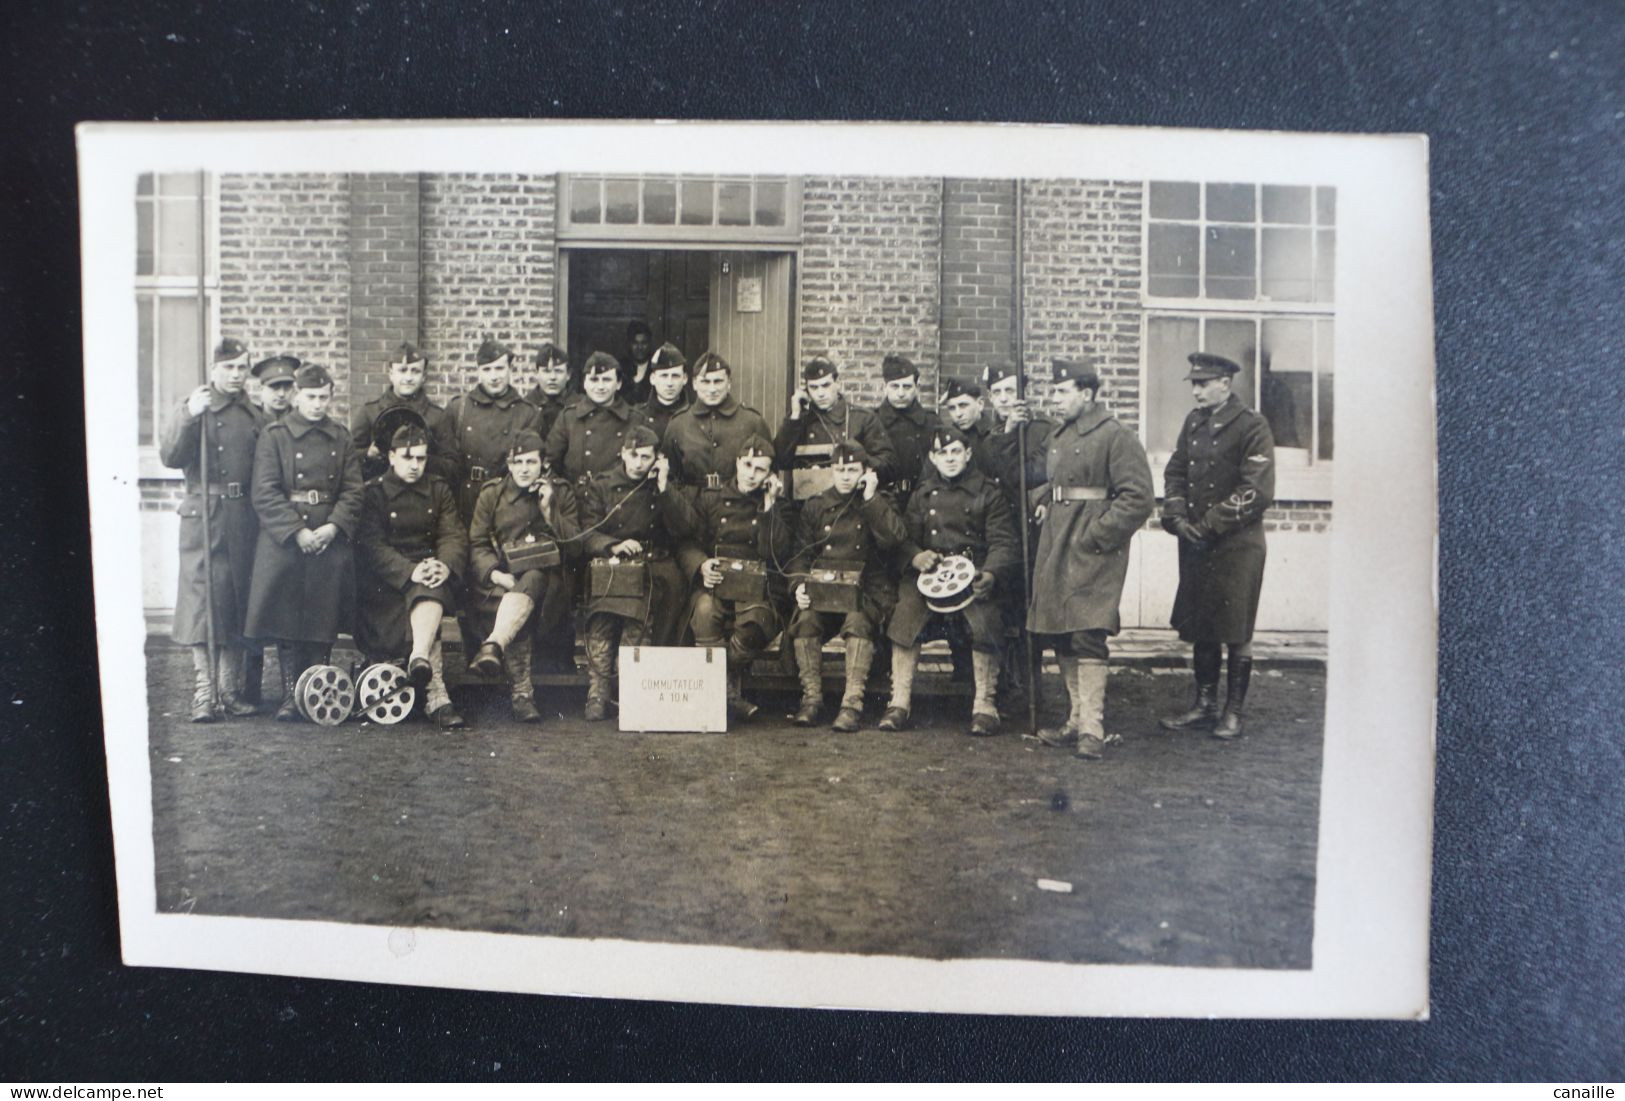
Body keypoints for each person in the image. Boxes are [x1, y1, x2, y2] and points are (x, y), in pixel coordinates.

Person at [1026, 357, 1154, 758]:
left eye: (1063, 392)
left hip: (1093, 547)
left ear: (1087, 394)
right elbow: (1061, 480)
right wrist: (1045, 498)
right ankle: (1075, 719)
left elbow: (1138, 498)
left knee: (1087, 631)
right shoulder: (1060, 435)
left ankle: (1093, 728)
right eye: (1055, 391)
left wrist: (1097, 535)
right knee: (1062, 631)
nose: (1056, 399)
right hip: (1057, 540)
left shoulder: (1115, 435)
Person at [1158, 352, 1276, 740]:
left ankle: (1233, 711)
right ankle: (1204, 705)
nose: (1196, 390)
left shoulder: (1251, 425)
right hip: (1196, 542)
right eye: (1194, 383)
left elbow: (1256, 490)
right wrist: (1175, 515)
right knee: (1202, 624)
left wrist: (1209, 524)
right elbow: (1175, 470)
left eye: (1204, 383)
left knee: (1237, 628)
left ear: (1226, 383)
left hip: (1236, 544)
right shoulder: (1193, 422)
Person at [879, 425, 1019, 736]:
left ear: (968, 454)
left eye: (956, 452)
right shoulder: (923, 494)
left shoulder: (988, 493)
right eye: (942, 453)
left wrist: (991, 573)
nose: (950, 459)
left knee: (986, 619)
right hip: (931, 579)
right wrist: (916, 557)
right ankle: (899, 702)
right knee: (905, 616)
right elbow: (904, 538)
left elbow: (1003, 542)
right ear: (933, 457)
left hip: (973, 577)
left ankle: (985, 704)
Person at [243, 363, 365, 722]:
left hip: (328, 536)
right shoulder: (275, 435)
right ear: (297, 396)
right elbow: (263, 492)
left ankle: (318, 688)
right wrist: (297, 531)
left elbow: (354, 491)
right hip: (286, 540)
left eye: (323, 397)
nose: (316, 404)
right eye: (310, 397)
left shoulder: (340, 437)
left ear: (330, 397)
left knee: (322, 615)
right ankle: (289, 694)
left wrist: (332, 528)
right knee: (286, 617)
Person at [160, 337, 269, 722]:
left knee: (236, 600)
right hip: (204, 514)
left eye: (242, 368)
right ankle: (204, 693)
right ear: (213, 369)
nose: (237, 375)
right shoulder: (196, 408)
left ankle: (229, 690)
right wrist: (189, 413)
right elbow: (170, 455)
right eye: (229, 368)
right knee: (204, 603)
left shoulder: (255, 416)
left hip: (242, 516)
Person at [783, 442, 907, 731]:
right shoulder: (816, 506)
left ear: (865, 472)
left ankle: (852, 704)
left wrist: (870, 497)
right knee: (806, 620)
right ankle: (812, 699)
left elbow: (895, 540)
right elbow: (801, 555)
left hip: (867, 591)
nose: (846, 476)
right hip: (825, 591)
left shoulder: (878, 502)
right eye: (839, 470)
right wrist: (799, 585)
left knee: (858, 622)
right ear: (831, 471)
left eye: (853, 470)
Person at [355, 424, 469, 731]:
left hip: (429, 573)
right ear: (392, 457)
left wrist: (445, 564)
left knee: (432, 586)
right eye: (407, 458)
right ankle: (436, 694)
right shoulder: (375, 493)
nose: (415, 465)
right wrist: (409, 571)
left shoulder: (438, 489)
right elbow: (372, 544)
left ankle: (424, 669)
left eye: (420, 458)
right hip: (386, 583)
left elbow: (453, 534)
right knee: (424, 586)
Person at [466, 430, 581, 723]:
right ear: (509, 463)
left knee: (534, 580)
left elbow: (576, 545)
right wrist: (495, 574)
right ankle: (521, 694)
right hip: (501, 581)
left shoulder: (560, 492)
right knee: (520, 598)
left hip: (550, 587)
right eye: (518, 462)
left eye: (531, 462)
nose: (524, 469)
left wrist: (548, 509)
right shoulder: (493, 494)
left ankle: (495, 647)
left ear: (543, 465)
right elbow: (477, 543)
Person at [576, 426, 690, 720]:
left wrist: (664, 486)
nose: (639, 463)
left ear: (657, 458)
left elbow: (684, 528)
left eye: (646, 457)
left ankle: (633, 686)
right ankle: (598, 689)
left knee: (647, 613)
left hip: (653, 561)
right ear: (623, 453)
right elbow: (587, 533)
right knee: (601, 617)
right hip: (613, 561)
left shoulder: (663, 485)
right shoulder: (602, 486)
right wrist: (611, 545)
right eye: (634, 455)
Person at [674, 436, 791, 720]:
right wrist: (702, 564)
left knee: (754, 627)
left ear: (770, 475)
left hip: (758, 591)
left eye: (760, 469)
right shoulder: (711, 499)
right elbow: (688, 542)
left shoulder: (777, 505)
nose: (751, 474)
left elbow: (777, 552)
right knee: (703, 612)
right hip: (717, 585)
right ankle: (726, 696)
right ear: (738, 462)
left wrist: (769, 506)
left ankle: (716, 686)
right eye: (747, 465)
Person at [239, 353, 300, 707]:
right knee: (254, 606)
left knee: (283, 603)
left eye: (286, 388)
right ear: (260, 390)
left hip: (280, 526)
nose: (280, 395)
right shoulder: (252, 423)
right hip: (248, 524)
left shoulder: (297, 425)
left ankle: (289, 688)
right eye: (273, 388)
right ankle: (250, 687)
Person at [773, 356, 897, 500]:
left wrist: (856, 460)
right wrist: (794, 416)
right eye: (813, 387)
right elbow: (781, 460)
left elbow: (889, 464)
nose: (820, 393)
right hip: (807, 506)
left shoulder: (863, 418)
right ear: (806, 390)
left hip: (852, 505)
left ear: (837, 383)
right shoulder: (800, 421)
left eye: (826, 385)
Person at [443, 337, 539, 522]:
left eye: (500, 368)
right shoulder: (459, 408)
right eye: (487, 369)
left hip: (506, 500)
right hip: (465, 499)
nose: (494, 376)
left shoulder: (527, 412)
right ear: (478, 372)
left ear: (510, 370)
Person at [661, 351, 774, 489]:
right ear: (695, 384)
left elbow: (768, 470)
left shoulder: (752, 422)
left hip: (739, 504)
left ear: (729, 383)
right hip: (691, 505)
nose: (712, 389)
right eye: (705, 382)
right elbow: (670, 478)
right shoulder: (678, 424)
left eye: (718, 381)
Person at [350, 342, 458, 483]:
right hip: (380, 496)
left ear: (424, 376)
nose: (408, 378)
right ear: (391, 374)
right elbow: (348, 459)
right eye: (402, 370)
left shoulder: (437, 417)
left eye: (415, 371)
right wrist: (368, 454)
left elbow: (452, 467)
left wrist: (421, 457)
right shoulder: (370, 412)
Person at [545, 351, 651, 486]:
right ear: (585, 383)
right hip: (576, 501)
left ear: (618, 384)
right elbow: (550, 464)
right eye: (594, 380)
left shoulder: (635, 419)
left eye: (606, 380)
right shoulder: (569, 418)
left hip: (617, 501)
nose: (600, 387)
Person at [872, 353, 935, 507]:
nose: (901, 393)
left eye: (907, 387)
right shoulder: (872, 422)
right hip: (882, 500)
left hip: (922, 502)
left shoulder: (931, 422)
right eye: (895, 386)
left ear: (916, 388)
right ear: (884, 387)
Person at [637, 342, 692, 442]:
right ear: (652, 378)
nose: (669, 383)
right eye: (664, 376)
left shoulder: (694, 417)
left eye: (675, 376)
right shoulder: (638, 416)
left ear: (685, 379)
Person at [522, 342, 577, 441]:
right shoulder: (525, 406)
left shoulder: (579, 406)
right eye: (546, 371)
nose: (552, 377)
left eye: (558, 371)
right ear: (536, 373)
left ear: (568, 375)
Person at [251, 353, 298, 422]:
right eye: (275, 387)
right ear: (261, 389)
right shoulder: (251, 420)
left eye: (287, 387)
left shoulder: (301, 420)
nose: (281, 394)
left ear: (293, 389)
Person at [619, 320, 655, 405]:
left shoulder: (656, 366)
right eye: (635, 343)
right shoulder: (621, 367)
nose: (639, 347)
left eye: (644, 343)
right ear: (629, 344)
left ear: (649, 344)